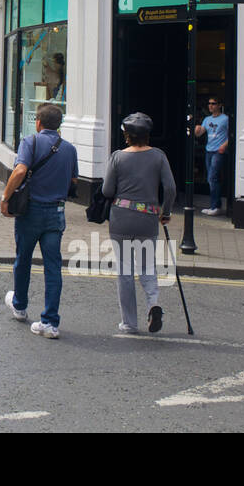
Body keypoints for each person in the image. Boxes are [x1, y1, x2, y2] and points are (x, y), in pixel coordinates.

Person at [0, 104, 78, 338]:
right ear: (59, 125)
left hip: (31, 211)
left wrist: (6, 197)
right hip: (56, 212)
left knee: (23, 259)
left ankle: (20, 306)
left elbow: (20, 170)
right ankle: (50, 323)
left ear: (38, 122)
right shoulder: (70, 149)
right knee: (53, 267)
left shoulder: (30, 142)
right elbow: (74, 181)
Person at [101, 112, 176, 334]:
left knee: (124, 272)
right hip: (148, 219)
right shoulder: (158, 156)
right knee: (147, 267)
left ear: (127, 136)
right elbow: (170, 188)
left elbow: (107, 190)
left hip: (121, 219)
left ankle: (129, 323)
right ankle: (153, 304)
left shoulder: (117, 157)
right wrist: (166, 212)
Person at [194, 96, 230, 216]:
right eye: (209, 103)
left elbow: (232, 134)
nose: (210, 106)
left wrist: (224, 145)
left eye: (213, 103)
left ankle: (216, 206)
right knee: (211, 179)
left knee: (212, 178)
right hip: (209, 150)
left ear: (219, 105)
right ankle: (214, 205)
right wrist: (196, 128)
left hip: (218, 151)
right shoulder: (207, 119)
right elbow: (199, 134)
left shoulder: (225, 119)